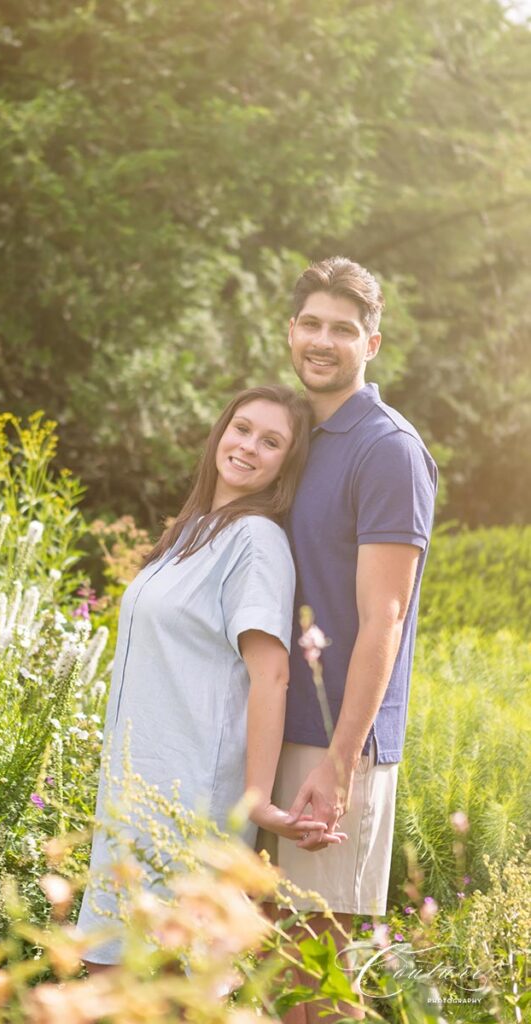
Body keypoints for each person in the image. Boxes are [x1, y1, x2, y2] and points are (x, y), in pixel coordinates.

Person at [77, 385, 345, 968]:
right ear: (221, 431)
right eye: (243, 428)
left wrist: (253, 799)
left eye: (271, 442)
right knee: (107, 973)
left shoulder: (255, 541)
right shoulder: (192, 529)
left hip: (190, 798)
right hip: (136, 792)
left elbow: (271, 675)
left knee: (163, 981)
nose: (249, 446)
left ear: (285, 465)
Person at [261, 257, 438, 1023]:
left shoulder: (386, 449)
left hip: (334, 746)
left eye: (342, 328)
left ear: (371, 343)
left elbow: (384, 623)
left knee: (318, 975)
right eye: (311, 325)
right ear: (289, 333)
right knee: (273, 963)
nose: (322, 341)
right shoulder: (300, 436)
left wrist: (337, 766)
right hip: (272, 733)